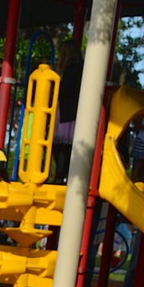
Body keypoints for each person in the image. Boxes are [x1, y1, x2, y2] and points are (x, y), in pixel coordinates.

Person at [51, 39, 83, 184]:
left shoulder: (72, 69)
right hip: (76, 111)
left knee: (61, 144)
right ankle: (67, 175)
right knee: (68, 145)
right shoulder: (82, 68)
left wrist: (53, 88)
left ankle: (62, 174)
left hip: (67, 112)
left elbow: (64, 90)